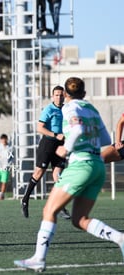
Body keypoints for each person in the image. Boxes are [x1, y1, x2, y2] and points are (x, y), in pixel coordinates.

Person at [14, 77, 124, 272]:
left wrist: (66, 149)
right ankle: (120, 238)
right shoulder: (91, 109)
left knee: (49, 211)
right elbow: (106, 138)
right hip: (97, 166)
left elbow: (77, 129)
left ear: (65, 94)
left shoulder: (69, 108)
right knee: (79, 219)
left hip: (80, 165)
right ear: (83, 93)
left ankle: (39, 259)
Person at [21, 86, 70, 219]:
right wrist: (55, 135)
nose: (59, 97)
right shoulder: (49, 109)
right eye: (56, 95)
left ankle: (60, 207)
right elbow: (40, 128)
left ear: (64, 96)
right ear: (52, 96)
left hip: (61, 145)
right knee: (39, 173)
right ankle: (25, 200)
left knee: (58, 175)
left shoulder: (67, 109)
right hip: (48, 143)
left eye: (61, 95)